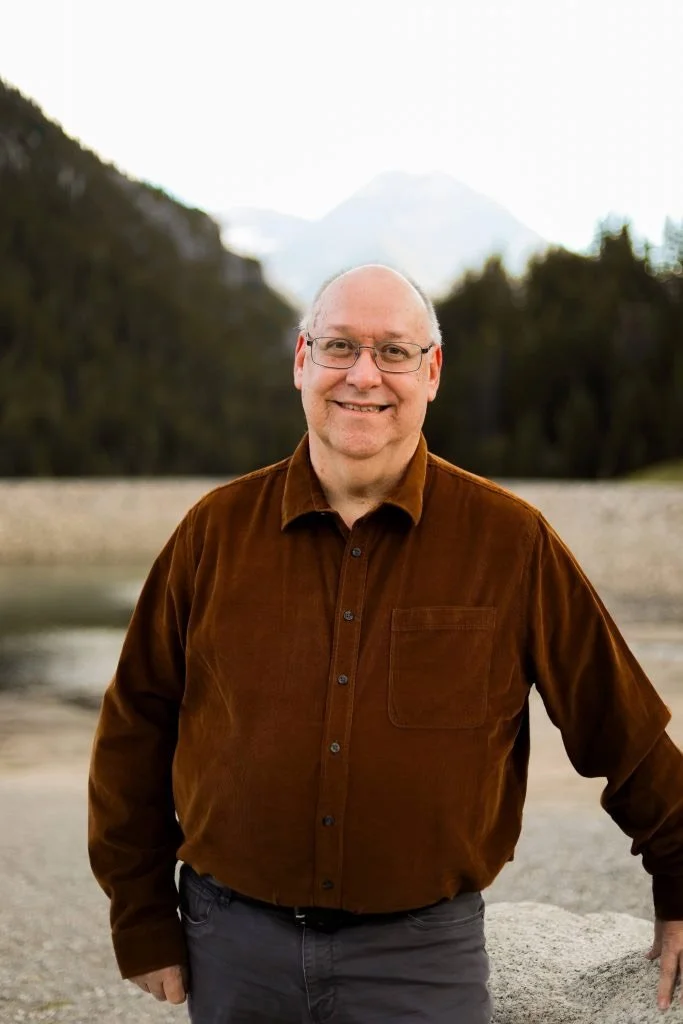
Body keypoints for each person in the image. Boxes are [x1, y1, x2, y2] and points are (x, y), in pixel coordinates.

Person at [88, 264, 683, 1023]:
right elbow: (133, 728)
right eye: (339, 346)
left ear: (430, 371)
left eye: (394, 352)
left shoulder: (510, 543)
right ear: (301, 361)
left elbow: (620, 727)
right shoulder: (211, 534)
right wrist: (140, 916)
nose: (362, 375)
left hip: (421, 960)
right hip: (232, 949)